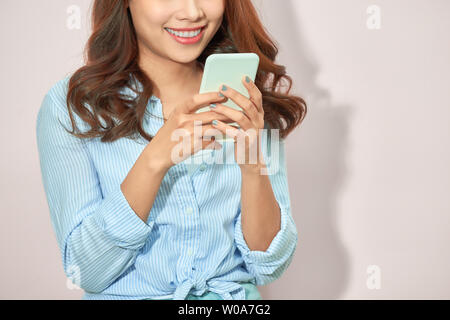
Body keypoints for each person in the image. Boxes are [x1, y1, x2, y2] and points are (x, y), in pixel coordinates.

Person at [36, 0, 307, 300]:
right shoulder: (73, 108)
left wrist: (252, 163)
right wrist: (154, 161)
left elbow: (269, 266)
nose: (192, 12)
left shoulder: (245, 95)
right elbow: (85, 271)